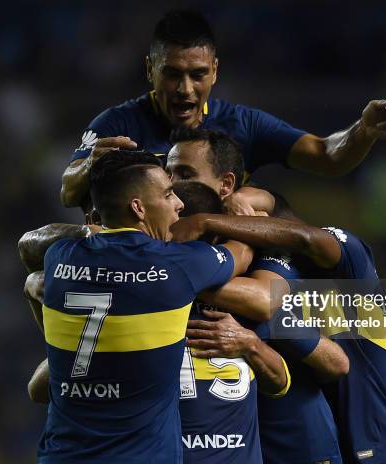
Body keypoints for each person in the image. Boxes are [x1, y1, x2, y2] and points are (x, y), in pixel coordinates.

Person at [60, 9, 386, 211]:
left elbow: (326, 155)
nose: (185, 89)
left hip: (217, 273)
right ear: (150, 70)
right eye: (171, 74)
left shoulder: (243, 124)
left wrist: (363, 131)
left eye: (197, 75)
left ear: (214, 71)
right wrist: (90, 164)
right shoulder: (117, 124)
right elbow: (68, 191)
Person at [35, 150, 253, 463]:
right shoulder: (178, 266)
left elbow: (36, 245)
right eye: (168, 194)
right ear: (138, 208)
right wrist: (220, 217)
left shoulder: (59, 257)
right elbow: (242, 253)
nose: (178, 204)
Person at [172, 200, 386, 464]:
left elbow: (337, 362)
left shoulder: (349, 255)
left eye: (253, 223)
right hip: (331, 442)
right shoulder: (275, 289)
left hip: (382, 448)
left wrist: (185, 274)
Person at [166, 130, 350, 464]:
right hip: (232, 449)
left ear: (226, 186)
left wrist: (173, 275)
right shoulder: (176, 252)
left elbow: (266, 302)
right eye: (169, 173)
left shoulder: (269, 248)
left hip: (296, 447)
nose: (173, 184)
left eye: (185, 174)